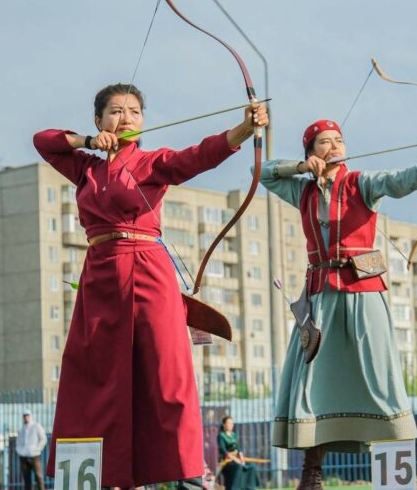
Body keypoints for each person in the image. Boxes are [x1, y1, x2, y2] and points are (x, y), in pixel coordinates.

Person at [34, 83, 268, 489]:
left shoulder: (154, 162)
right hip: (100, 276)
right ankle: (115, 478)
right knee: (96, 377)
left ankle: (191, 477)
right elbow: (45, 141)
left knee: (167, 373)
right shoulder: (85, 167)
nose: (126, 118)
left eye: (134, 112)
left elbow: (199, 156)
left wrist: (243, 130)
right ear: (99, 120)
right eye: (116, 112)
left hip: (147, 271)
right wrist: (88, 142)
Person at [259, 119, 417, 489]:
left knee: (380, 374)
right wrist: (298, 169)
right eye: (324, 142)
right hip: (320, 296)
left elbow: (404, 179)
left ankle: (395, 478)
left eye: (339, 140)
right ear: (311, 153)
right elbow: (260, 173)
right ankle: (312, 474)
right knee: (312, 380)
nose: (335, 145)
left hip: (363, 291)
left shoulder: (361, 183)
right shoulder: (303, 192)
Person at [217, 416, 259, 490]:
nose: (231, 425)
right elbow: (223, 450)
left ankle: (250, 487)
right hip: (227, 461)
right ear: (224, 424)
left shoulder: (234, 435)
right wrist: (235, 459)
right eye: (229, 423)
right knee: (238, 466)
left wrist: (241, 455)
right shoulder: (221, 436)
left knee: (251, 466)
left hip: (237, 459)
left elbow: (238, 447)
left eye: (232, 423)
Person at [16, 409, 47, 490]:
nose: (26, 417)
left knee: (39, 476)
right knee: (26, 479)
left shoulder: (36, 426)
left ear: (30, 416)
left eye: (27, 415)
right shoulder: (21, 428)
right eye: (24, 416)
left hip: (34, 456)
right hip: (23, 456)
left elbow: (43, 439)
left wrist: (37, 449)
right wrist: (20, 451)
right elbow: (18, 442)